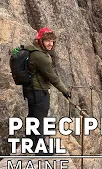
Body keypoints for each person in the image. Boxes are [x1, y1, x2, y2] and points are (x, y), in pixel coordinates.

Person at [23, 27, 71, 155]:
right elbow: (53, 77)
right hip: (39, 91)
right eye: (47, 41)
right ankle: (40, 149)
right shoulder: (40, 56)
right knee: (40, 120)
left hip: (31, 90)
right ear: (40, 41)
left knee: (33, 117)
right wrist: (65, 91)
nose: (50, 44)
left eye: (52, 41)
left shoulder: (32, 50)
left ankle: (32, 144)